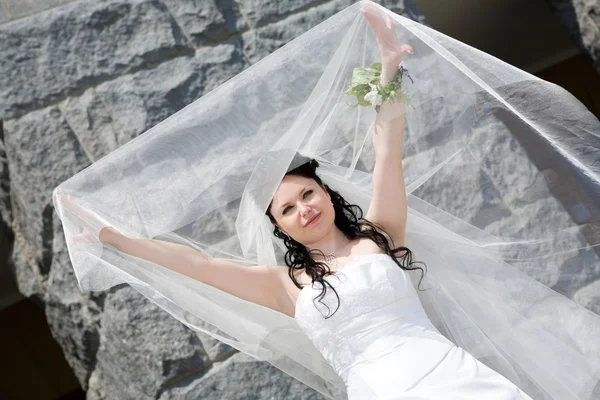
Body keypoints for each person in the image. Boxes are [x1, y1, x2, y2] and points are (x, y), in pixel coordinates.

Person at [54, 1, 600, 399]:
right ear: (282, 229)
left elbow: (387, 149)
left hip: (458, 381)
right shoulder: (282, 285)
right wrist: (110, 236)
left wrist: (388, 65)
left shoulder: (382, 234)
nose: (302, 210)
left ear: (327, 195)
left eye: (307, 195)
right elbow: (196, 263)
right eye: (286, 210)